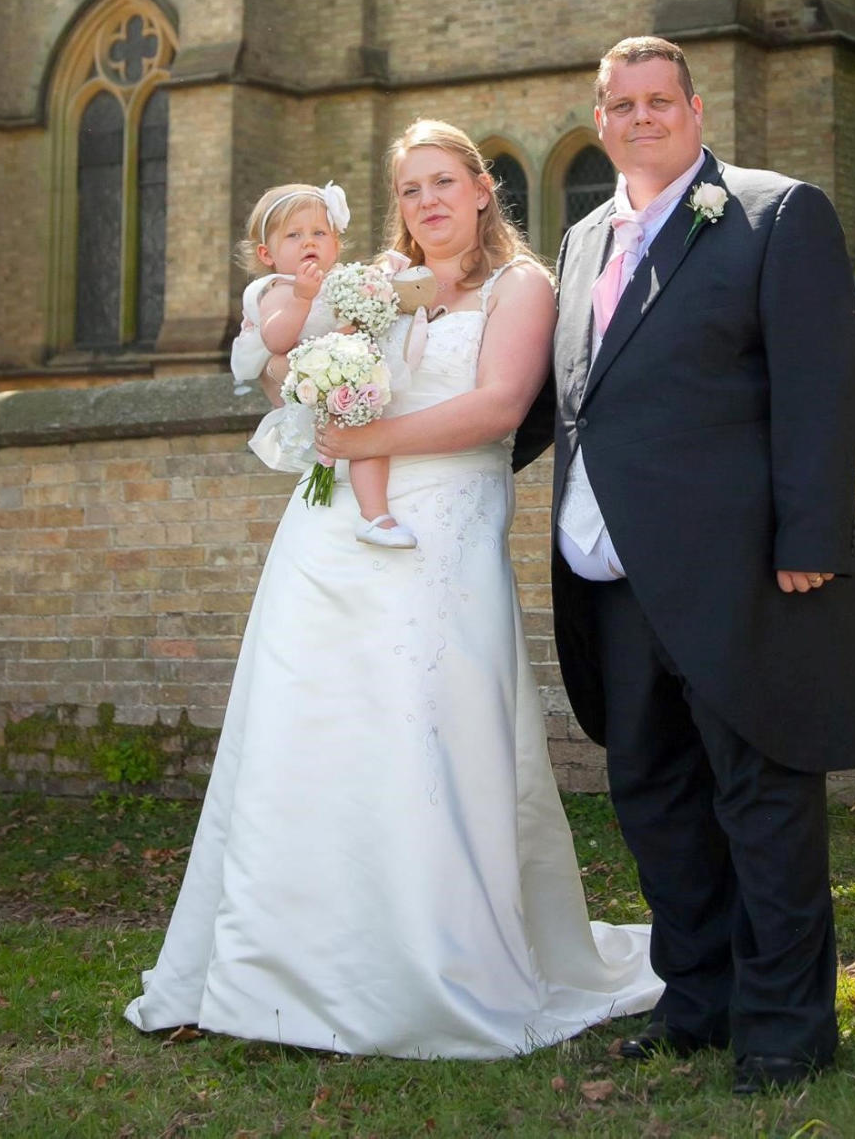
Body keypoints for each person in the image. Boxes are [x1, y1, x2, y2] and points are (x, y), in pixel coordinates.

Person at [124, 121, 660, 1058]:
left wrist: (365, 439)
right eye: (410, 189)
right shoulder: (370, 279)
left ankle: (428, 963)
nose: (428, 202)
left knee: (423, 731)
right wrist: (303, 371)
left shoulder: (520, 287)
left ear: (484, 187)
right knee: (306, 727)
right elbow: (291, 367)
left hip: (441, 534)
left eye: (444, 182)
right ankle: (275, 968)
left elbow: (497, 407)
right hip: (327, 533)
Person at [549, 36, 855, 1095]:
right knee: (655, 798)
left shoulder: (776, 215)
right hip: (612, 575)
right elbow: (571, 400)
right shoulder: (580, 242)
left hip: (744, 575)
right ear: (601, 120)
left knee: (764, 798)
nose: (641, 117)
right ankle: (698, 1000)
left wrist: (810, 541)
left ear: (696, 111)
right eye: (622, 103)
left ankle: (786, 1027)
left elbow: (823, 386)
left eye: (660, 100)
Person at [229, 180, 416, 548]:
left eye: (319, 233)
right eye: (294, 235)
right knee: (356, 443)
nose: (308, 242)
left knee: (369, 439)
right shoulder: (276, 289)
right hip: (312, 390)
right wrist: (301, 297)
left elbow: (351, 327)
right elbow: (277, 340)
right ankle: (368, 512)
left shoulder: (341, 283)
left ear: (336, 244)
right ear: (267, 254)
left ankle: (374, 513)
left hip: (347, 385)